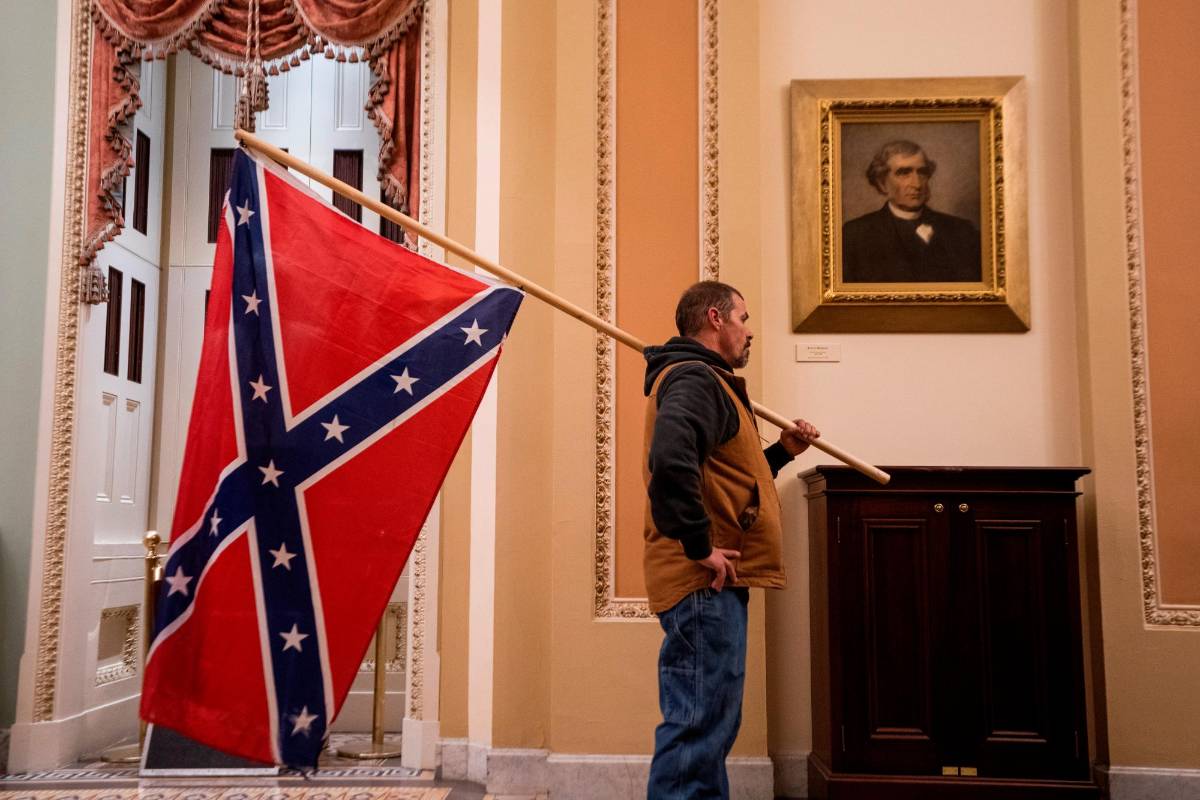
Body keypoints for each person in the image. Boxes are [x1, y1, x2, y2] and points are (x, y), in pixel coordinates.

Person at [643, 281, 819, 799]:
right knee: (699, 728)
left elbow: (731, 480)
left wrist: (783, 452)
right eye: (744, 317)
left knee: (708, 727)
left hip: (712, 580)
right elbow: (671, 464)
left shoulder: (707, 381)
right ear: (716, 319)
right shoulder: (696, 379)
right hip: (704, 579)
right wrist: (700, 548)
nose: (750, 331)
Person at [841, 139, 981, 283]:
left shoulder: (963, 231)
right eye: (903, 173)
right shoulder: (854, 235)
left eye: (922, 172)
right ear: (882, 183)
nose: (917, 184)